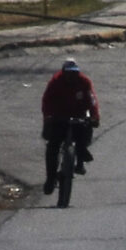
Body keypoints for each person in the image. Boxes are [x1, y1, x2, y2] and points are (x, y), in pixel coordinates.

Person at [40, 57, 100, 193]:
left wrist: (95, 117)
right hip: (58, 117)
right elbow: (46, 101)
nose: (71, 76)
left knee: (85, 132)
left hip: (78, 116)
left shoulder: (84, 82)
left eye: (74, 73)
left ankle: (80, 161)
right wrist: (48, 116)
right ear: (63, 72)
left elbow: (92, 101)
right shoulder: (55, 82)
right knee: (53, 147)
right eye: (68, 73)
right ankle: (50, 178)